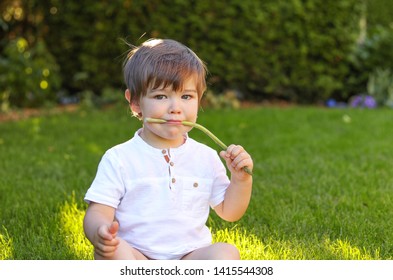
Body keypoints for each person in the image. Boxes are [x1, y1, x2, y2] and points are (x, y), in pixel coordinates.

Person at [83, 38, 253, 260]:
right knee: (114, 252)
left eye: (186, 96)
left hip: (189, 256)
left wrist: (241, 180)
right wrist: (100, 233)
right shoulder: (119, 159)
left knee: (226, 253)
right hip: (137, 257)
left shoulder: (206, 157)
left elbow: (230, 212)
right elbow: (98, 212)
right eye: (161, 96)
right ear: (135, 102)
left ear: (199, 100)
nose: (175, 108)